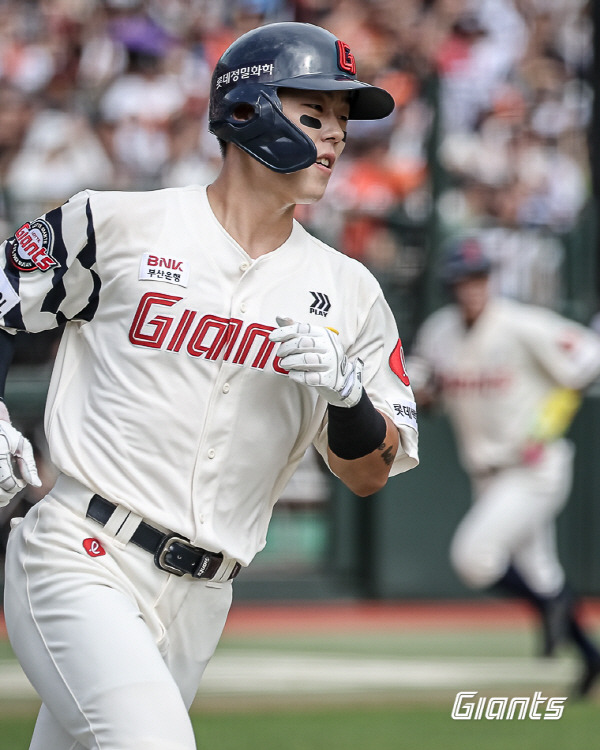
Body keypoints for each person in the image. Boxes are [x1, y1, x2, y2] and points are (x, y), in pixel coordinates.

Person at [0, 22, 419, 750]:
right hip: (82, 549)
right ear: (248, 108)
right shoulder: (119, 223)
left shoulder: (349, 292)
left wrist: (348, 400)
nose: (336, 139)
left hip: (204, 596)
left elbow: (369, 474)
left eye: (344, 124)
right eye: (315, 114)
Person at [407, 235, 600, 697]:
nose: (471, 287)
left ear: (490, 280)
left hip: (534, 468)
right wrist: (422, 393)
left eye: (478, 278)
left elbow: (588, 359)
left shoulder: (519, 323)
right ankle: (591, 657)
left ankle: (549, 607)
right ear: (451, 285)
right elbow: (421, 383)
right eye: (463, 279)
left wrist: (547, 426)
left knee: (473, 558)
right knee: (542, 574)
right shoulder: (440, 331)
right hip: (486, 472)